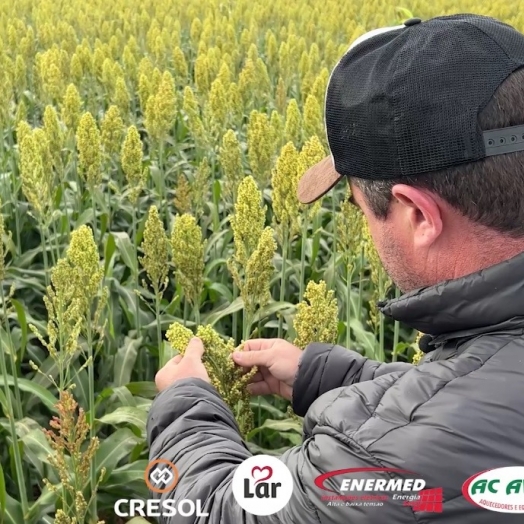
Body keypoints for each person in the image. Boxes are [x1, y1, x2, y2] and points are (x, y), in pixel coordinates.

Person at [147, 14, 524, 523]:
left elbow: (221, 512)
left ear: (418, 216)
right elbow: (483, 405)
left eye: (359, 209)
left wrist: (186, 411)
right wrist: (329, 376)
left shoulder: (394, 467)